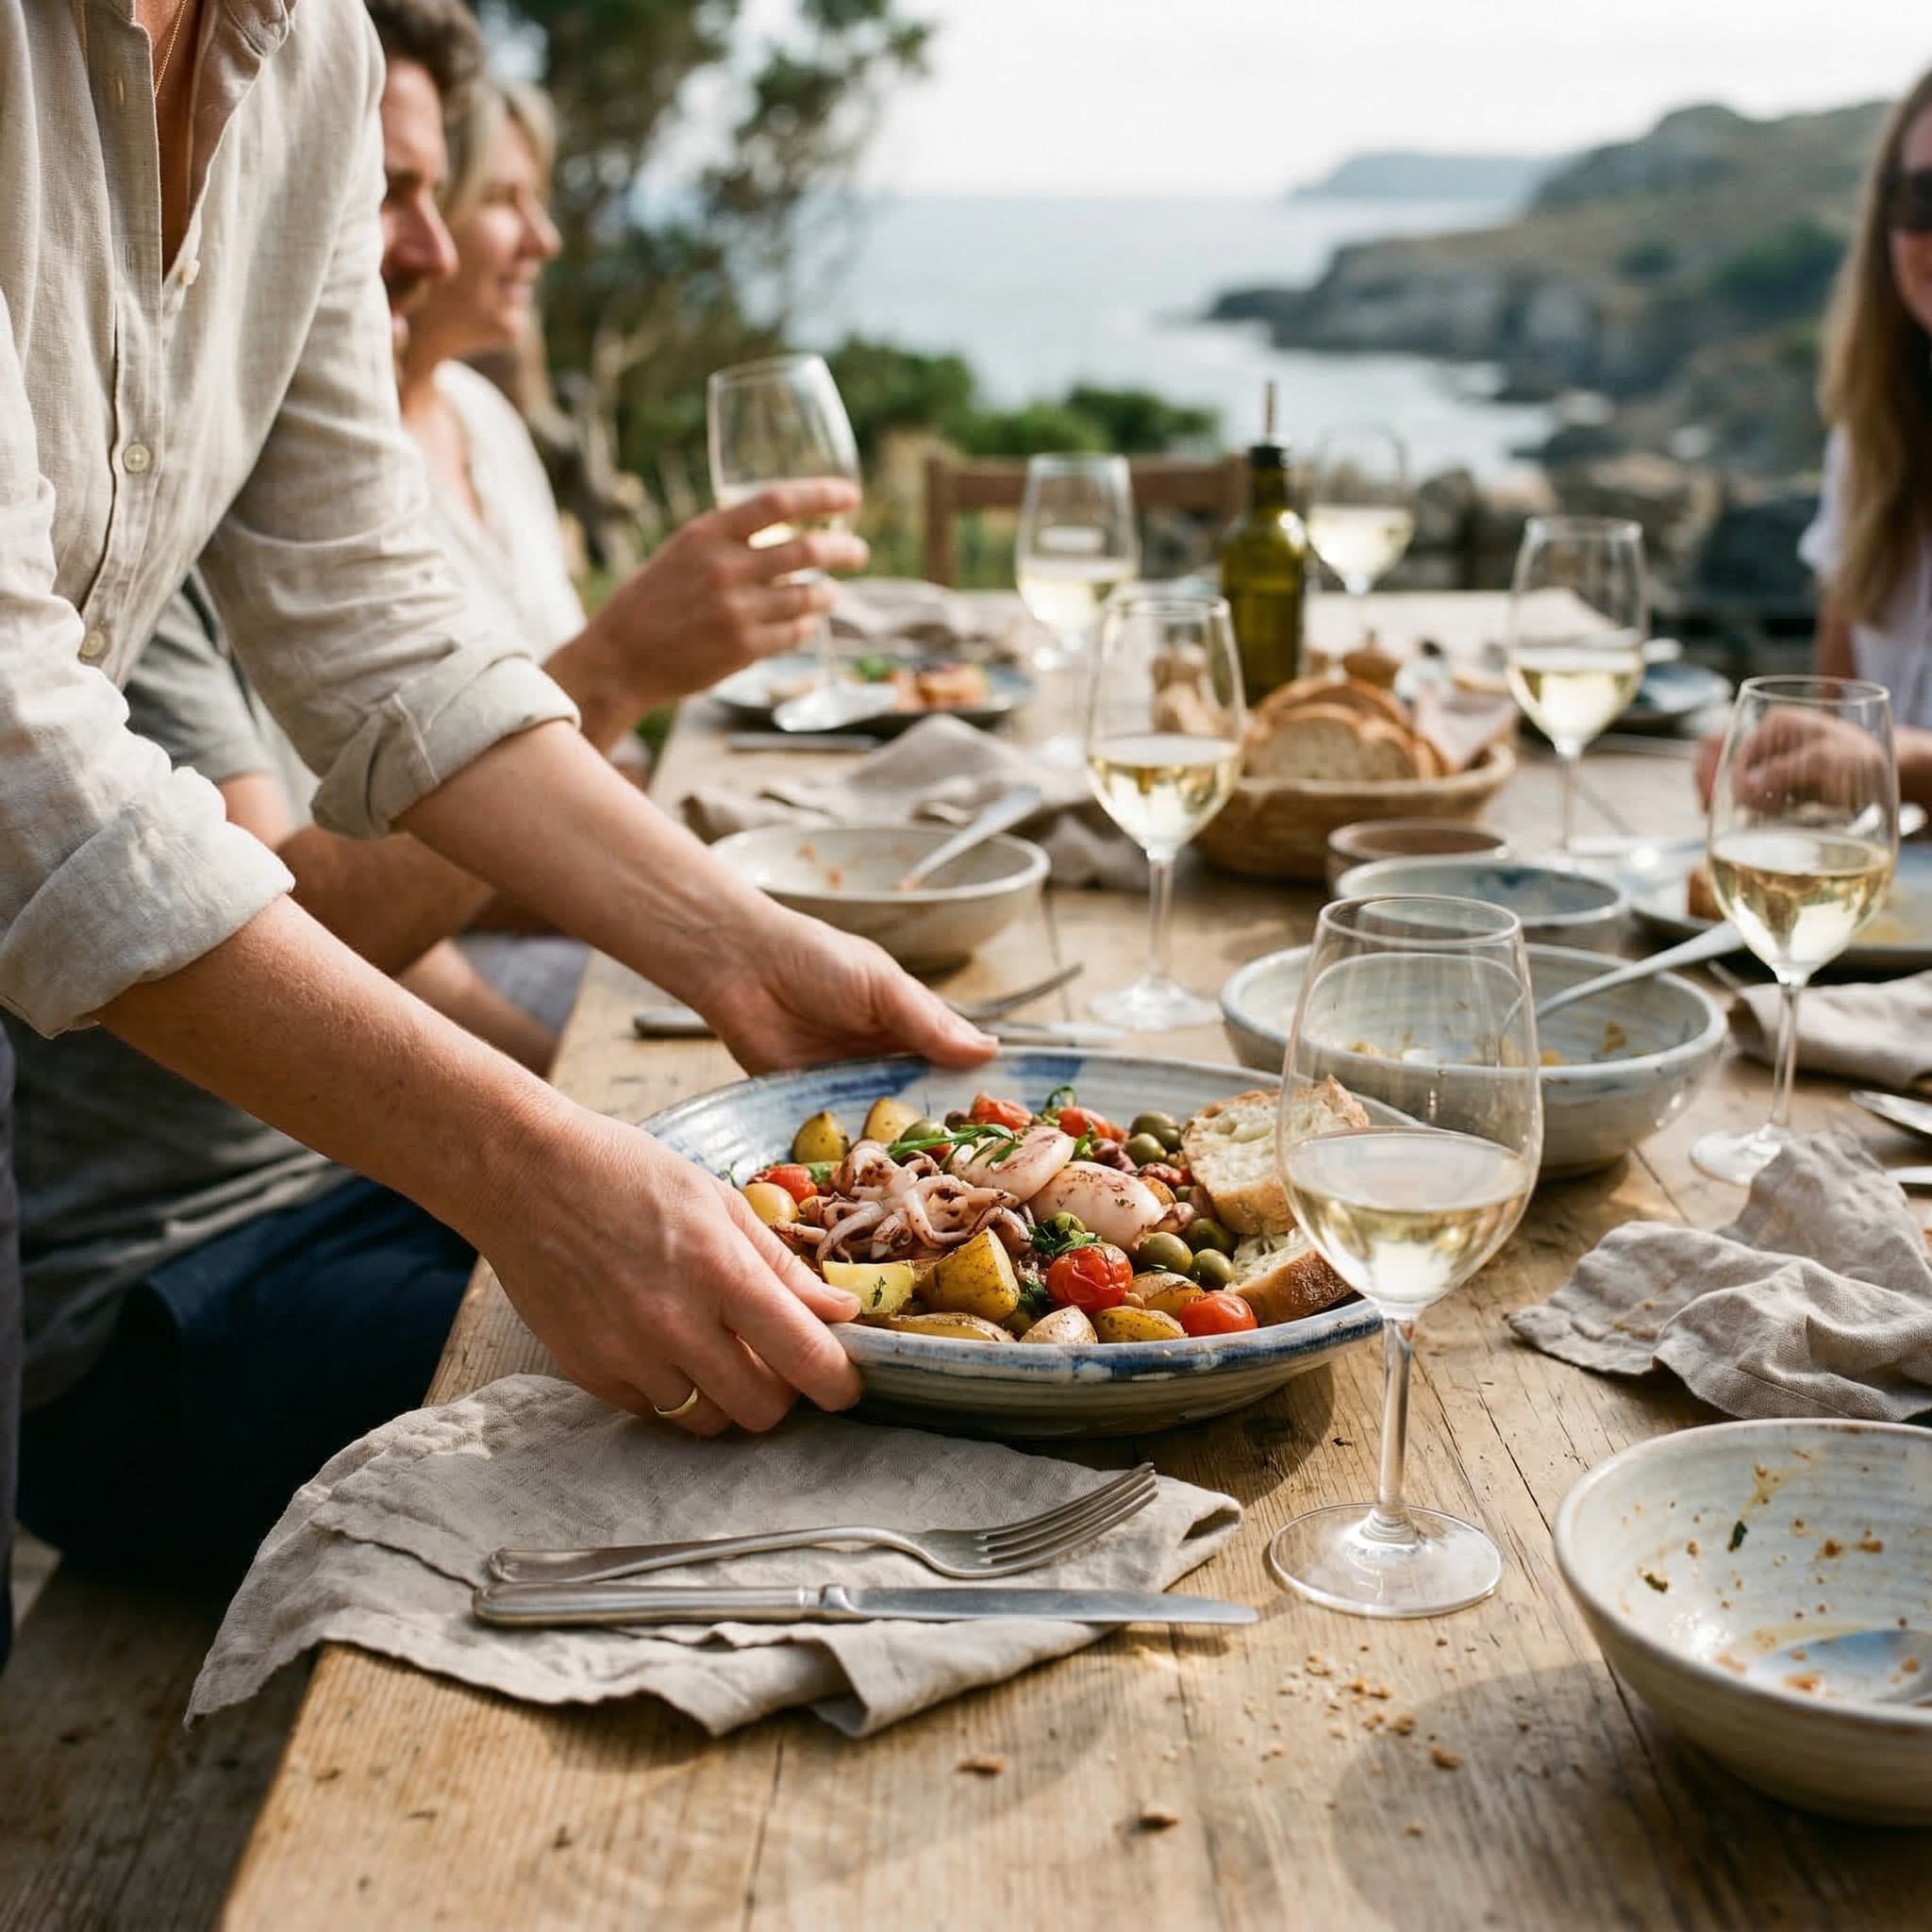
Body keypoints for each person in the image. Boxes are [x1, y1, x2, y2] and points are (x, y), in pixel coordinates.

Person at [0, 0, 992, 1620]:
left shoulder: (307, 52)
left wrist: (739, 949)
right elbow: (22, 757)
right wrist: (525, 1165)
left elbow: (369, 611)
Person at [1700, 69, 1932, 808]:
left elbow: (1865, 749)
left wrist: (1903, 765)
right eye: (1924, 199)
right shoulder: (1872, 441)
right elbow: (1837, 717)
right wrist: (1775, 759)